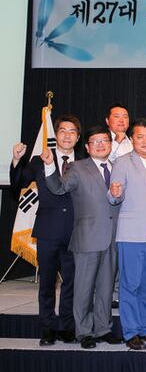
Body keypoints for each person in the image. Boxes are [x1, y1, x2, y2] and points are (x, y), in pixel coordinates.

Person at [43, 125, 122, 349]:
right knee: (84, 288)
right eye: (95, 141)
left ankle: (103, 328)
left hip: (113, 238)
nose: (100, 144)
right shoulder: (77, 168)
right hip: (87, 237)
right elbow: (59, 188)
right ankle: (84, 331)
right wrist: (49, 165)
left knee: (106, 288)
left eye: (104, 140)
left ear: (110, 144)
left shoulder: (117, 167)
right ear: (87, 147)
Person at [10, 115, 81, 346]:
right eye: (63, 131)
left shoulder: (84, 163)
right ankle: (48, 328)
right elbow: (19, 184)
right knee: (47, 284)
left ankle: (68, 327)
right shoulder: (39, 160)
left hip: (75, 233)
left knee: (72, 283)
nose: (67, 135)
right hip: (47, 231)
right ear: (55, 135)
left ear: (78, 137)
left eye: (72, 132)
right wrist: (17, 160)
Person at [108, 119, 146, 350]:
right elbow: (114, 195)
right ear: (132, 139)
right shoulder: (123, 162)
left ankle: (145, 329)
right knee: (130, 284)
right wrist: (114, 194)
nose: (145, 141)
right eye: (140, 136)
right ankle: (131, 332)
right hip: (133, 232)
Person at [105, 102, 132, 309]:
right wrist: (116, 143)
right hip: (107, 205)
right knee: (108, 252)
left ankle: (120, 293)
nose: (121, 120)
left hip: (130, 207)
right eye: (117, 116)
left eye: (125, 116)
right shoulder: (101, 140)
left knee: (124, 253)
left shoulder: (134, 143)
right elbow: (104, 161)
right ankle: (105, 293)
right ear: (108, 120)